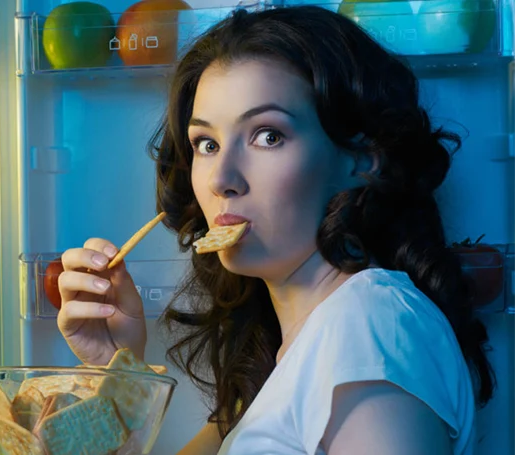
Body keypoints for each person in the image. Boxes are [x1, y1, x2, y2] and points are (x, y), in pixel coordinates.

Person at [54, 5, 495, 455]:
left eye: (268, 135)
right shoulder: (282, 358)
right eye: (206, 144)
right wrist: (118, 369)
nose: (220, 178)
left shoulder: (370, 326)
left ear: (362, 159)